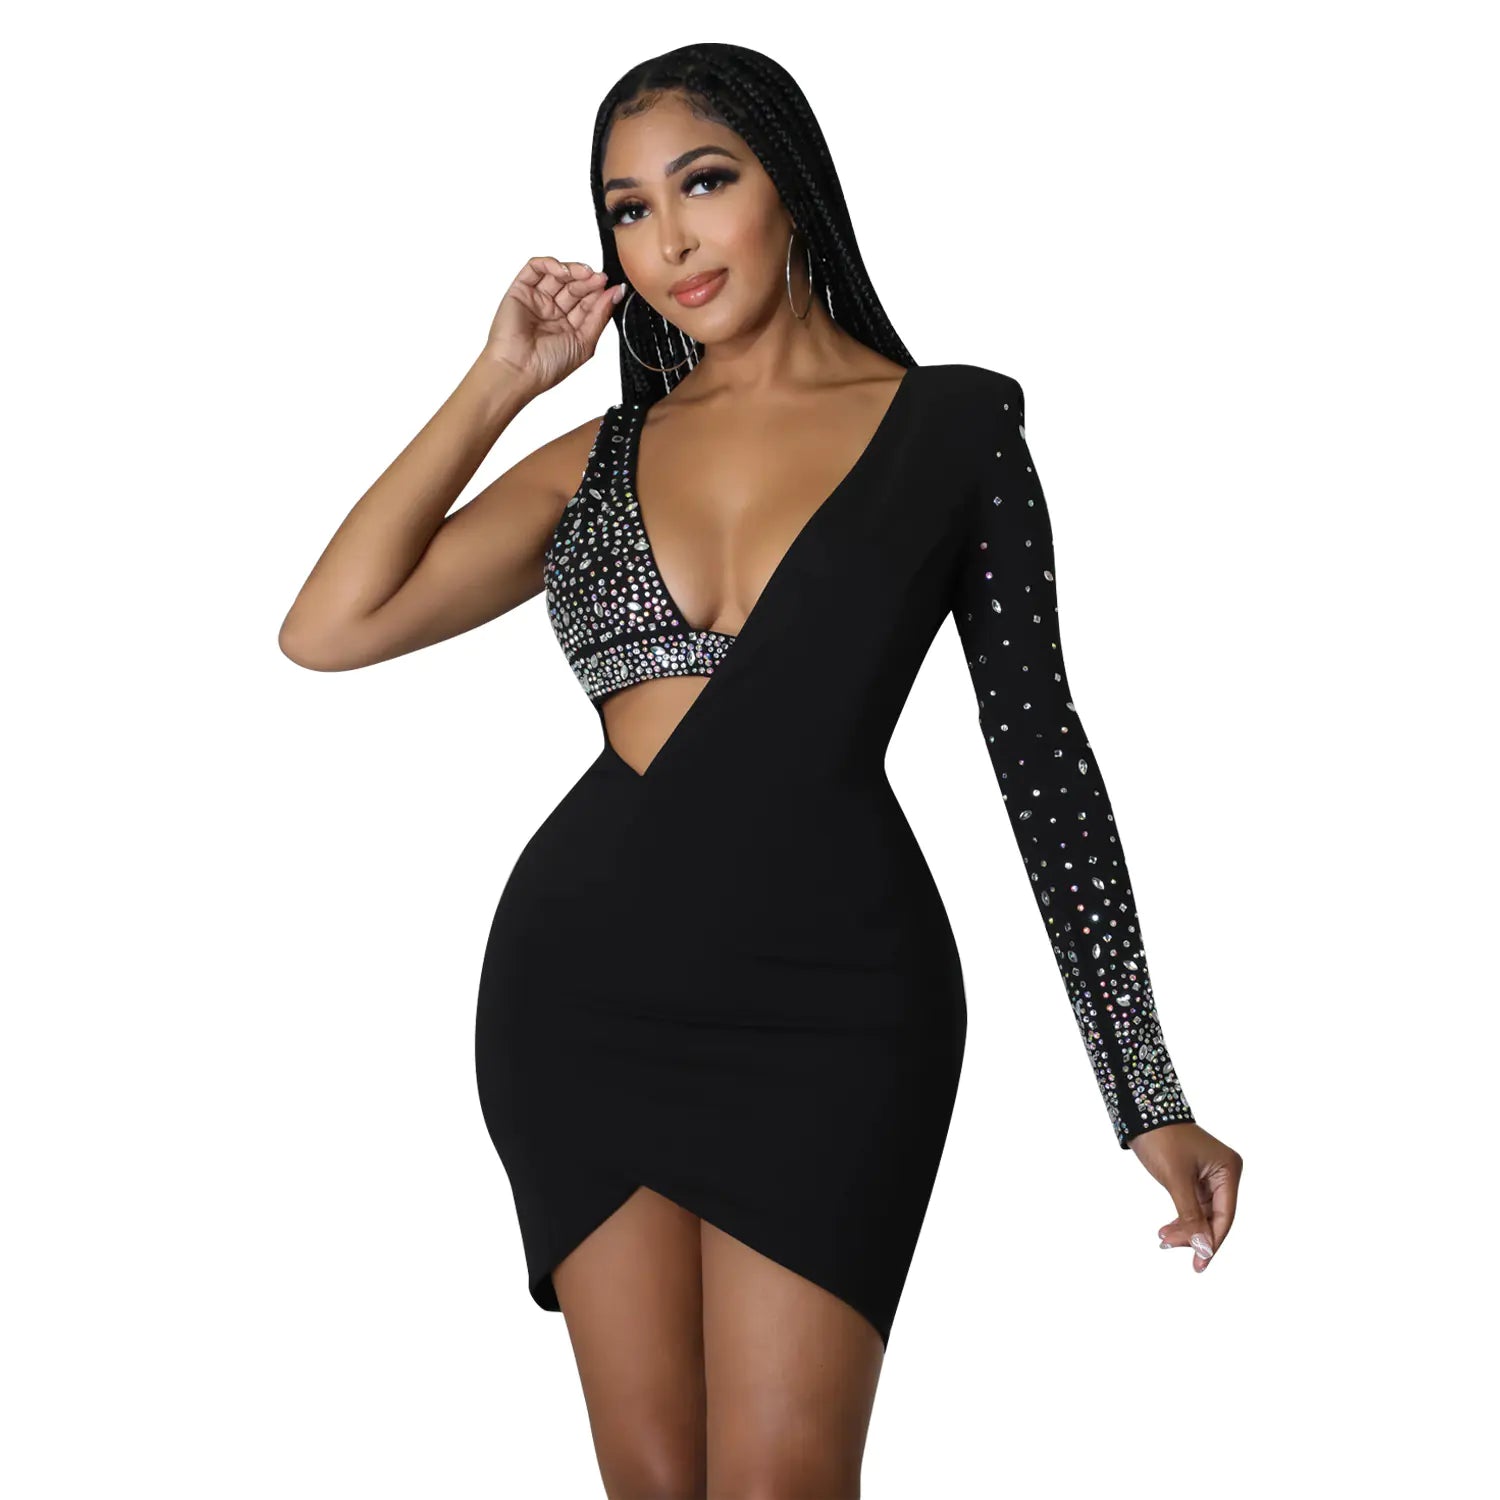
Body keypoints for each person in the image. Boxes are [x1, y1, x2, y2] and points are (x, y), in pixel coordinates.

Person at [280, 41, 1243, 1500]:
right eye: (628, 210)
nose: (668, 239)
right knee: (655, 1484)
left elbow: (1044, 760)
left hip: (834, 1002)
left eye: (703, 183)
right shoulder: (597, 457)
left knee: (786, 1478)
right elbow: (329, 627)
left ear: (789, 186)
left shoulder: (955, 428)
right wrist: (499, 382)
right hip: (582, 996)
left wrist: (1144, 1085)